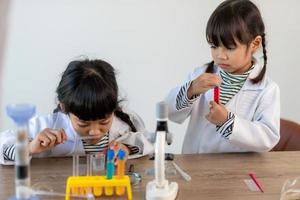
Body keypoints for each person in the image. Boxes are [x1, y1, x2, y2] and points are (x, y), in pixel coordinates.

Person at [165, 0, 280, 154]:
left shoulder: (267, 89)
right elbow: (170, 112)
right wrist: (190, 90)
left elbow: (268, 138)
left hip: (234, 171)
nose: (220, 56)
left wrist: (227, 122)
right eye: (214, 46)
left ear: (254, 44)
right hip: (195, 166)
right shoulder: (200, 75)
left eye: (230, 48)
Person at [0, 59, 153, 165]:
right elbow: (2, 147)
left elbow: (147, 143)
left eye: (104, 121)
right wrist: (30, 147)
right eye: (83, 122)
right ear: (64, 107)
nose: (94, 132)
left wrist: (127, 148)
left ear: (113, 108)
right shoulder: (45, 127)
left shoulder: (123, 125)